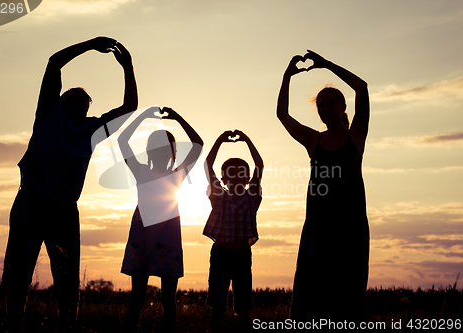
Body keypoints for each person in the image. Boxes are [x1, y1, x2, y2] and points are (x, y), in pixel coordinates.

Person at [1, 37, 138, 331]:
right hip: (31, 201)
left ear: (88, 110)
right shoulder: (49, 112)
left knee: (66, 276)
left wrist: (128, 66)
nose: (80, 103)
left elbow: (129, 107)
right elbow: (54, 62)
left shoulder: (92, 130)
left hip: (63, 210)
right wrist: (90, 44)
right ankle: (12, 323)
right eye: (74, 97)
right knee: (18, 272)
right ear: (62, 100)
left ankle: (66, 325)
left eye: (85, 102)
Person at [276, 50, 370, 325]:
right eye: (321, 106)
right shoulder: (312, 140)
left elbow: (362, 87)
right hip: (317, 229)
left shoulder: (356, 136)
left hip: (351, 229)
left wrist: (326, 65)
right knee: (310, 296)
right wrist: (287, 77)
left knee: (349, 295)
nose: (325, 108)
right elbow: (282, 114)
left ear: (343, 107)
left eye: (330, 103)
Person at [118, 106, 203, 333]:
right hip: (142, 239)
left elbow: (198, 144)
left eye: (166, 149)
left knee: (167, 299)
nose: (161, 152)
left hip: (168, 241)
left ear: (172, 153)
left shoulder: (176, 175)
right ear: (149, 152)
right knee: (138, 298)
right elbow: (123, 141)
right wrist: (143, 117)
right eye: (157, 148)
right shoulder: (141, 171)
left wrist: (178, 118)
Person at [203, 130, 264, 333]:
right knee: (218, 306)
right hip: (220, 254)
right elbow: (208, 165)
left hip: (242, 255)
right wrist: (219, 140)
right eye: (231, 172)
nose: (236, 176)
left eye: (240, 172)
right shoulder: (218, 195)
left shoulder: (252, 196)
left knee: (243, 307)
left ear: (247, 178)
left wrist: (247, 140)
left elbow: (259, 165)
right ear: (223, 178)